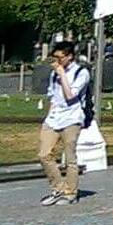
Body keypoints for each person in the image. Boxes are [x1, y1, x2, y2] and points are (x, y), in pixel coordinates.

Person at [39, 41, 91, 205]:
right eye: (54, 57)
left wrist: (62, 73)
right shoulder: (54, 73)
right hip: (54, 118)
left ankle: (70, 193)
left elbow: (70, 95)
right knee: (44, 154)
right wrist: (47, 118)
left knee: (70, 158)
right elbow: (53, 97)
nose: (56, 61)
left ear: (69, 56)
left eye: (60, 58)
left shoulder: (81, 73)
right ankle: (59, 187)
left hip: (72, 118)